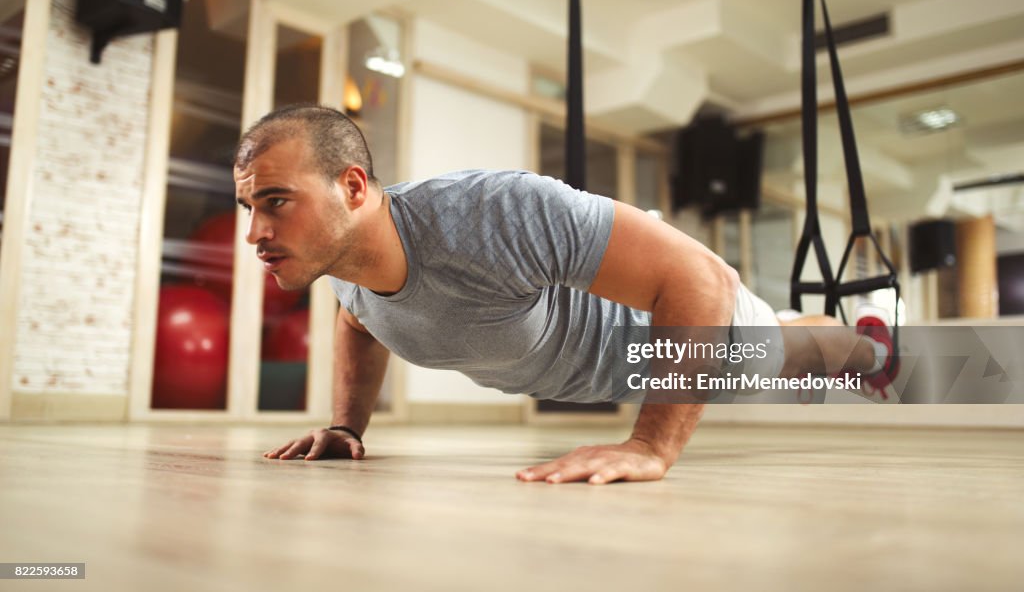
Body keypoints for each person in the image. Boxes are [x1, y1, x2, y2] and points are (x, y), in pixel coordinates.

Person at [235, 104, 892, 484]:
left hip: (672, 332)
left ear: (352, 188)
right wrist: (347, 425)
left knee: (793, 353)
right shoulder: (350, 267)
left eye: (275, 202)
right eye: (247, 207)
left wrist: (651, 447)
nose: (254, 233)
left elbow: (702, 282)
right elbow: (359, 323)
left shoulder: (489, 214)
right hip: (628, 358)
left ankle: (870, 346)